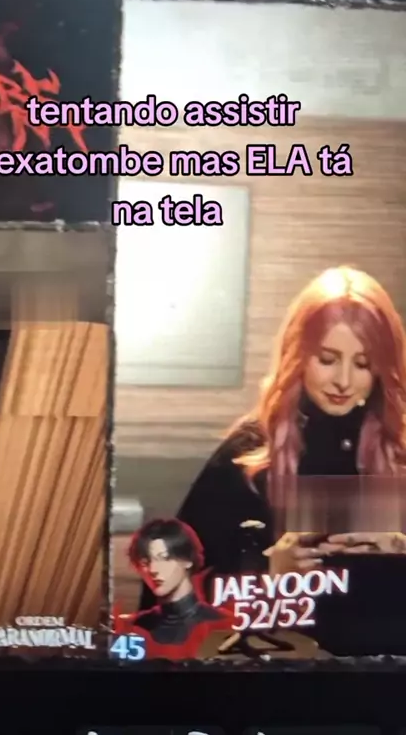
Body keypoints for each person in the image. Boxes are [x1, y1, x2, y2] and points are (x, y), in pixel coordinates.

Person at [141, 267, 406, 655]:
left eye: (363, 364)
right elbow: (164, 600)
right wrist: (267, 576)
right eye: (328, 359)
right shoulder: (248, 453)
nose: (344, 381)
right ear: (298, 355)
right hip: (280, 673)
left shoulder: (400, 450)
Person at [125, 517, 226, 646]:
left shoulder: (221, 623)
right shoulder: (134, 628)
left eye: (164, 558)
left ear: (188, 560)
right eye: (145, 562)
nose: (153, 569)